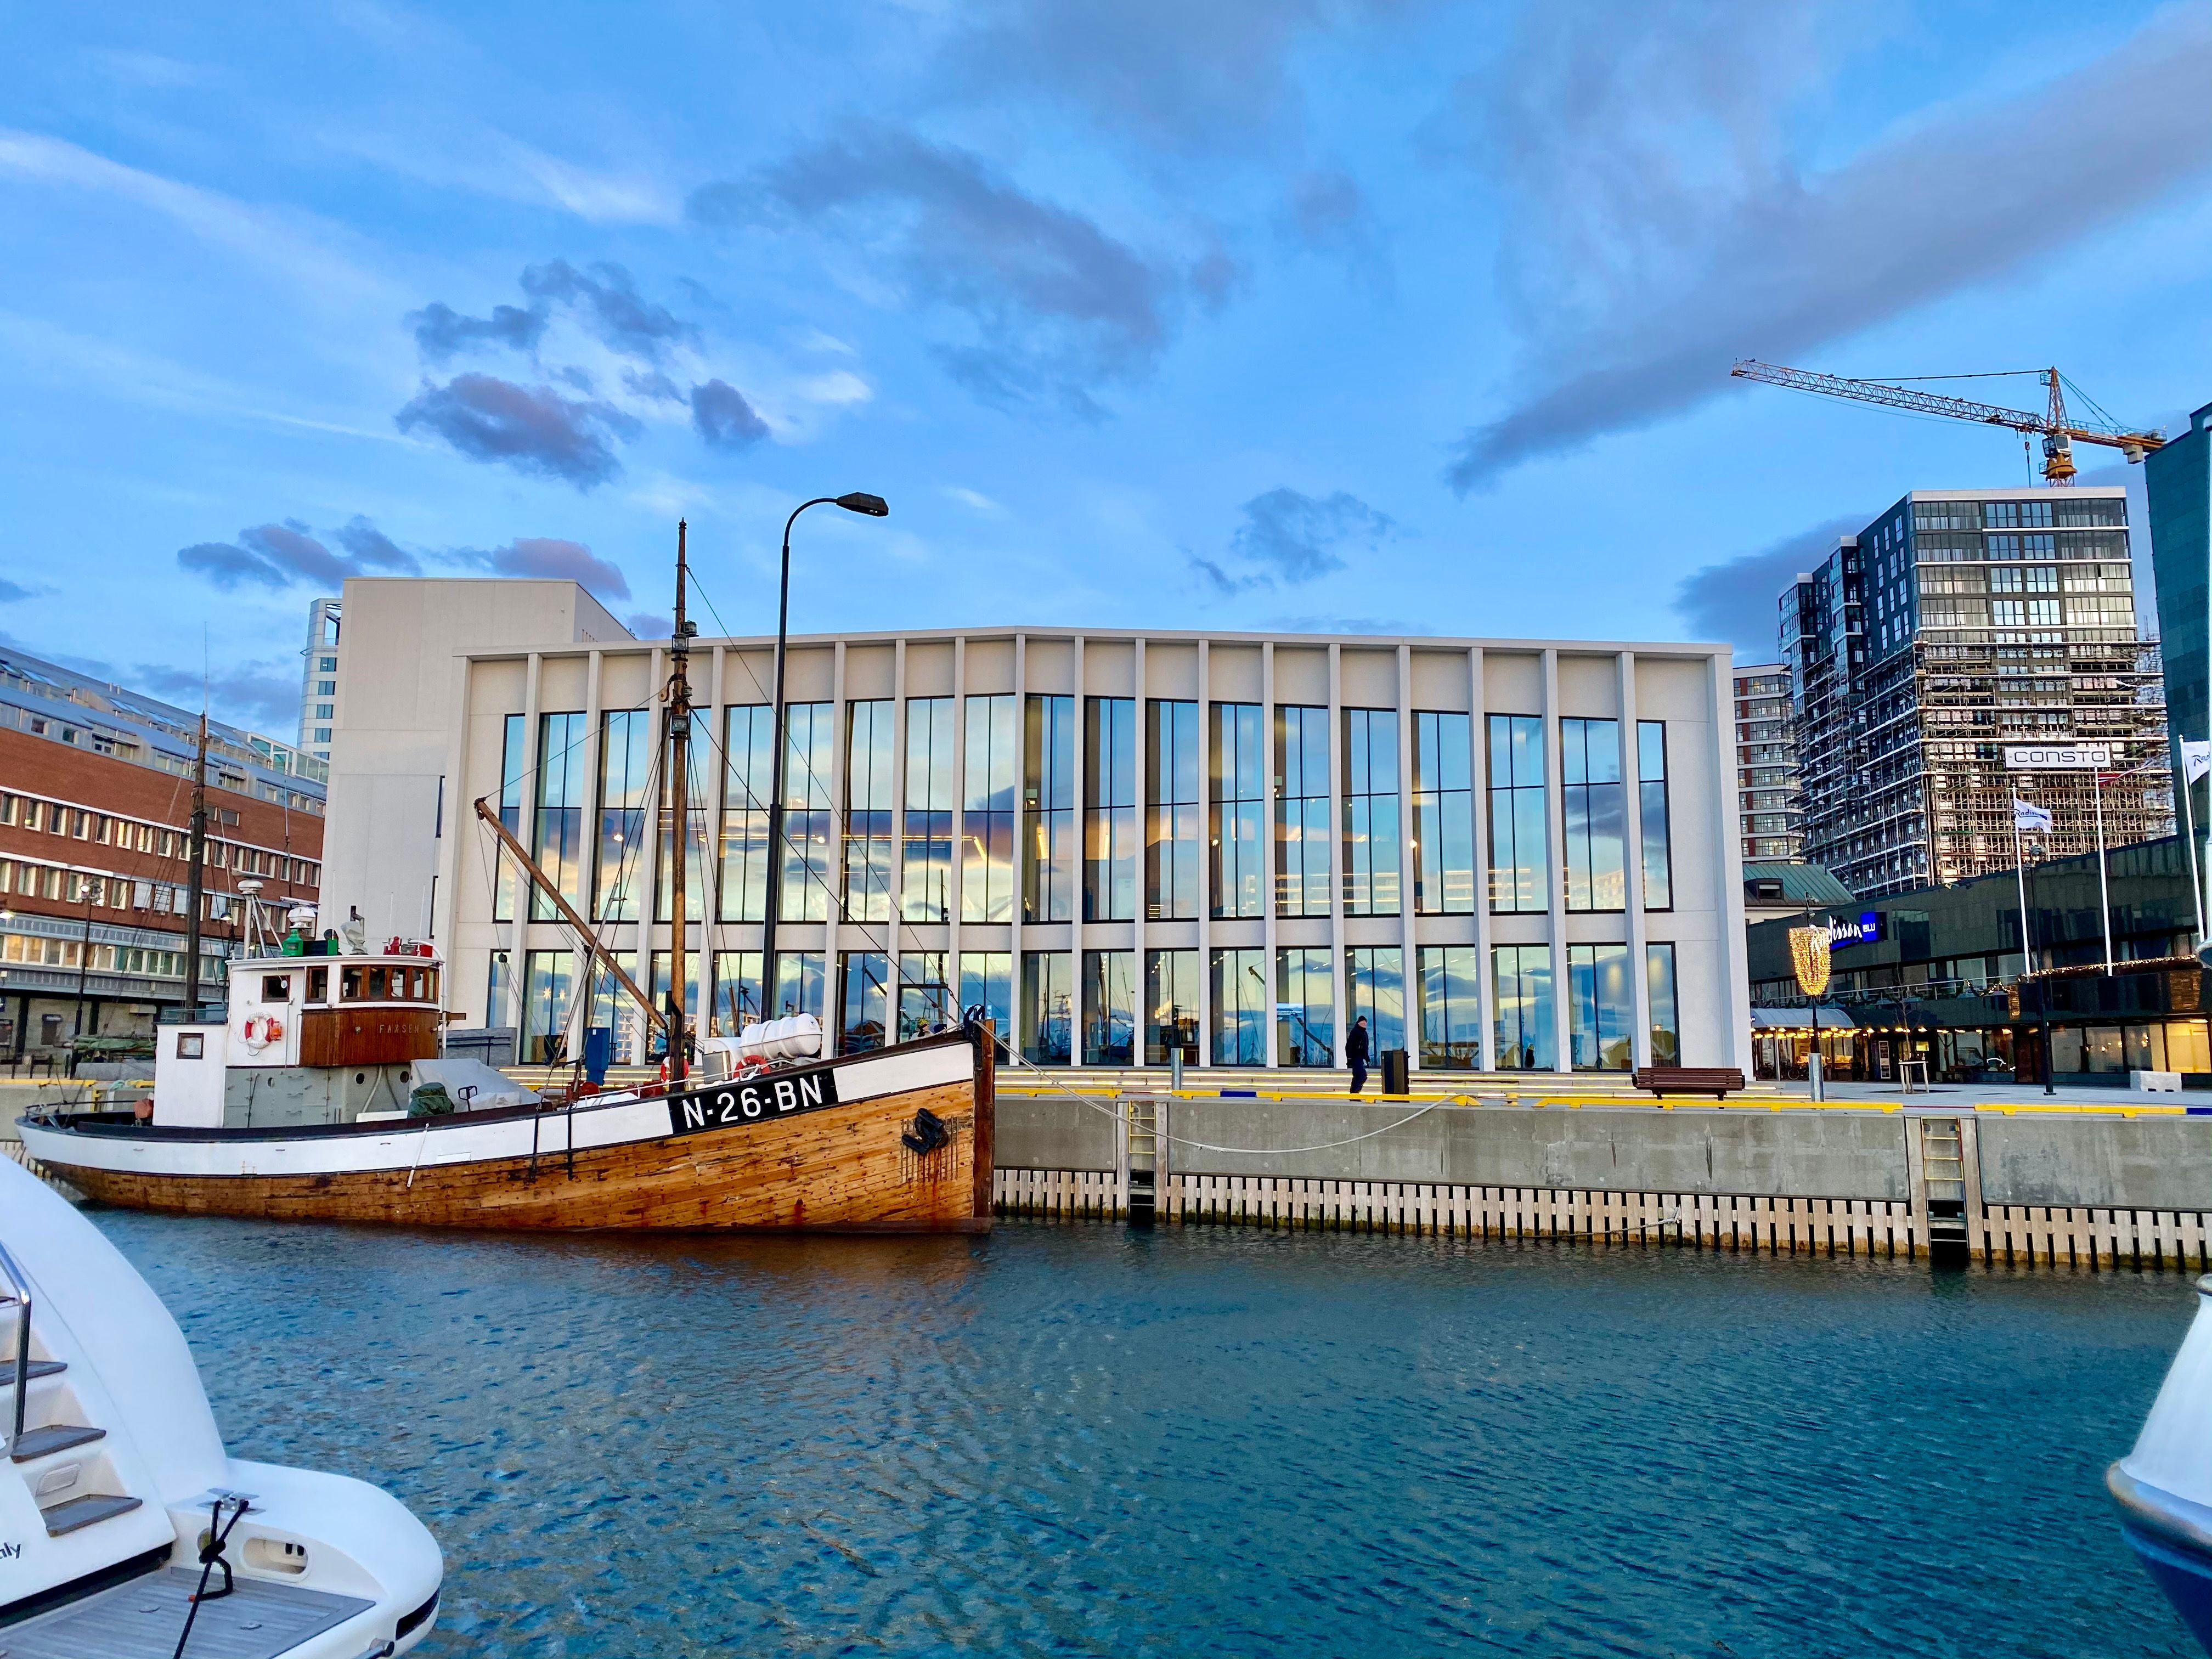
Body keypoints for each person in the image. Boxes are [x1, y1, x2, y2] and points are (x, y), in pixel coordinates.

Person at [1346, 1014, 1370, 1095]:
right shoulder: (1355, 1032)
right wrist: (1349, 1059)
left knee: (1360, 1075)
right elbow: (1349, 1045)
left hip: (1360, 1058)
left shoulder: (1365, 1033)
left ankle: (1355, 1092)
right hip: (1355, 1057)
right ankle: (1354, 1092)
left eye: (1365, 1022)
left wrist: (1367, 1058)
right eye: (1362, 1022)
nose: (1364, 1023)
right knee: (1361, 1075)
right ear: (1359, 1023)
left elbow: (1365, 1047)